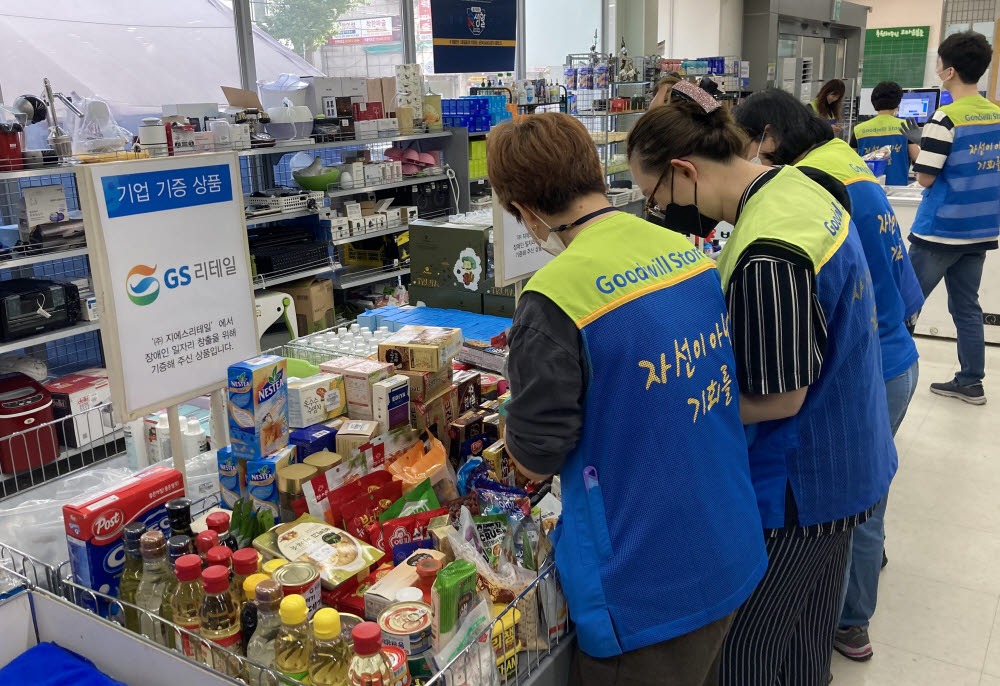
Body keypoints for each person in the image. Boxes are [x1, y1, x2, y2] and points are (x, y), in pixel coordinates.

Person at [628, 81, 896, 686]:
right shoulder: (792, 187)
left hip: (802, 484)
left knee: (745, 655)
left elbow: (781, 396)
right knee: (803, 643)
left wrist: (678, 406)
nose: (659, 212)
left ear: (682, 171)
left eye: (655, 197)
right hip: (848, 455)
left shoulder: (768, 253)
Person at [493, 111, 768, 686]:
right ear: (594, 168)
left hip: (646, 587)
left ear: (522, 210)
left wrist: (507, 421)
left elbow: (536, 455)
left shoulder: (553, 299)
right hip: (728, 537)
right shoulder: (686, 252)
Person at [735, 88, 923, 662]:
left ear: (765, 138)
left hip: (870, 368)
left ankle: (853, 623)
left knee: (850, 512)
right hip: (889, 350)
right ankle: (847, 609)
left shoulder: (802, 189)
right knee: (861, 510)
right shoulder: (842, 162)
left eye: (744, 147)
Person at [909, 30, 1000, 405]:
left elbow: (926, 176)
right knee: (967, 306)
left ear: (947, 71)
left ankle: (887, 375)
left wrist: (917, 147)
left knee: (904, 304)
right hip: (979, 230)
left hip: (940, 230)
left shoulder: (945, 118)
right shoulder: (996, 113)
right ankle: (970, 381)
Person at [851, 81, 922, 186]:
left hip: (868, 188)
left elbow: (851, 162)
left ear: (873, 102)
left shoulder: (859, 130)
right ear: (898, 102)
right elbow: (919, 159)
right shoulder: (905, 127)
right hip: (897, 191)